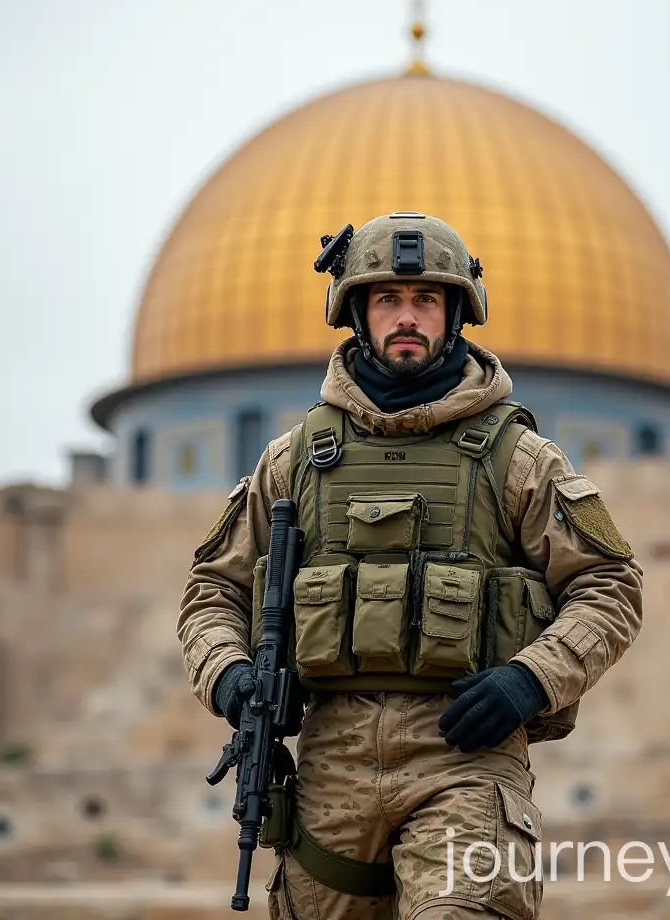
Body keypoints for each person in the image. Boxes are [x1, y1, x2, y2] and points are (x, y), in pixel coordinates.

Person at [178, 212, 643, 920]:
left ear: (455, 315)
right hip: (331, 768)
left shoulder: (514, 458)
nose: (406, 317)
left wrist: (529, 681)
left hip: (466, 756)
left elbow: (610, 586)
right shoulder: (296, 458)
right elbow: (213, 588)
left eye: (426, 300)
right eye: (388, 300)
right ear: (356, 314)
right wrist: (232, 677)